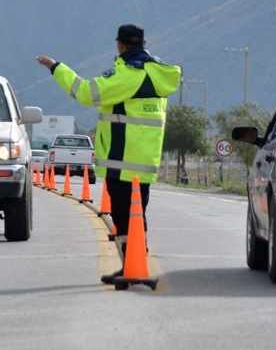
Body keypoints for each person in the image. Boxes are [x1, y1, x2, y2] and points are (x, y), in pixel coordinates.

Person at [35, 23, 181, 284]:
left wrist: (56, 68)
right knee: (136, 215)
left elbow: (86, 93)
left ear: (121, 46)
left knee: (125, 218)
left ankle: (132, 267)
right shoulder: (156, 72)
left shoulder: (130, 75)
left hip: (122, 159)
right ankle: (134, 263)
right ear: (143, 44)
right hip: (144, 160)